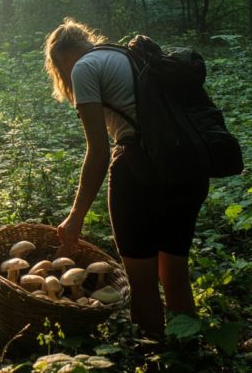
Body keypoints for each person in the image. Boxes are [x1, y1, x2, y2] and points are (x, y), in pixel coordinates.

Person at [43, 18, 209, 339]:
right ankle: (187, 352)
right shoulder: (127, 55)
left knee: (142, 282)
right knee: (175, 273)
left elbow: (99, 152)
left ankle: (153, 354)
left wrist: (76, 217)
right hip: (188, 167)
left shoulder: (83, 68)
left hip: (139, 173)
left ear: (60, 60)